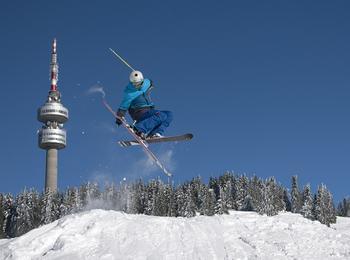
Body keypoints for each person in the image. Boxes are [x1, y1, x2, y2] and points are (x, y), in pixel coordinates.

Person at [116, 70, 173, 139]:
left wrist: (151, 84)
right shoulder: (129, 94)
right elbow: (123, 107)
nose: (137, 86)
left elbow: (150, 82)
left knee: (169, 114)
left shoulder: (145, 83)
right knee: (161, 115)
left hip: (149, 111)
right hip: (139, 113)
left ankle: (155, 134)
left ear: (142, 81)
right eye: (134, 84)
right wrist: (119, 119)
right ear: (132, 82)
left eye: (138, 84)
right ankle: (138, 128)